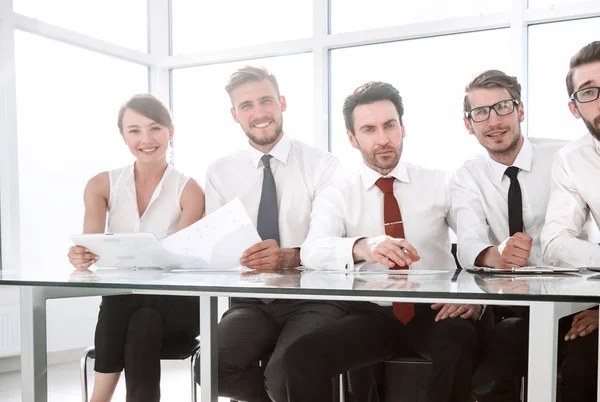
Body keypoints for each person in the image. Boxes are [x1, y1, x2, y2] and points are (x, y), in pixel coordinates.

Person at [271, 81, 484, 402]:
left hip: (435, 312)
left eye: (389, 126)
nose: (383, 139)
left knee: (459, 339)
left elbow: (474, 244)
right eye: (369, 129)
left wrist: (474, 299)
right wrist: (362, 247)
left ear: (403, 128)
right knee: (301, 357)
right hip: (372, 315)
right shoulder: (339, 191)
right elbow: (313, 250)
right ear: (352, 138)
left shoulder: (439, 182)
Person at [195, 66, 351, 402]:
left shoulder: (323, 164)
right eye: (246, 106)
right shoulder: (220, 172)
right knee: (210, 367)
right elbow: (216, 246)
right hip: (253, 300)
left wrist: (292, 255)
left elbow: (333, 236)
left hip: (314, 297)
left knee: (285, 373)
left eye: (266, 101)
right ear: (235, 115)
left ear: (281, 102)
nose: (259, 113)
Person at [452, 68, 597, 401]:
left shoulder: (567, 157)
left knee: (580, 372)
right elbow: (469, 240)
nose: (494, 121)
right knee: (487, 379)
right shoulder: (467, 175)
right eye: (480, 113)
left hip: (579, 301)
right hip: (517, 308)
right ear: (468, 124)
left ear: (520, 110)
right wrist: (494, 255)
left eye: (503, 107)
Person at [67, 94, 205, 402]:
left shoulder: (191, 190)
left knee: (125, 303)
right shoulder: (101, 185)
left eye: (155, 128)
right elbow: (91, 250)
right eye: (134, 130)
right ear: (123, 136)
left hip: (178, 307)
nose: (146, 139)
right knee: (140, 319)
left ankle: (97, 400)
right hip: (133, 312)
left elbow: (177, 263)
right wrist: (81, 257)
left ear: (171, 131)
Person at [541, 41, 600, 401]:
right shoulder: (571, 159)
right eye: (589, 92)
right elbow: (554, 244)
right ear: (574, 108)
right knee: (577, 358)